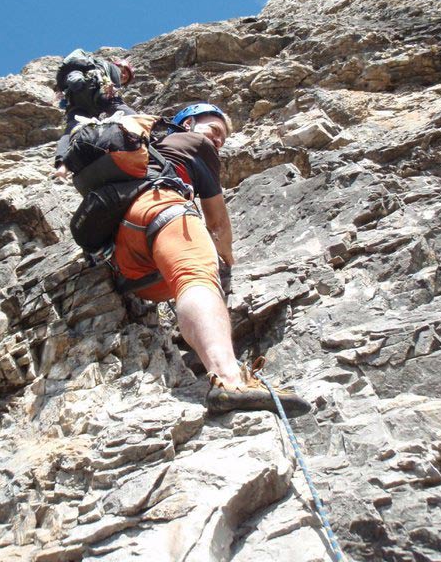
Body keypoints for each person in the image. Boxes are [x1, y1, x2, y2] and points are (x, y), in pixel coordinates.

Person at [113, 103, 311, 417]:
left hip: (125, 249)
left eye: (221, 138)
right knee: (196, 278)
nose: (218, 141)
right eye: (215, 131)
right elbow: (217, 222)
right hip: (162, 209)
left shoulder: (149, 148)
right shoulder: (195, 143)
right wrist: (227, 260)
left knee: (179, 278)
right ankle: (230, 380)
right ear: (189, 123)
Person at [54, 51, 136, 178]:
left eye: (126, 78)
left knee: (71, 129)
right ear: (118, 66)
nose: (124, 76)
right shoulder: (110, 68)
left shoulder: (87, 66)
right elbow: (113, 97)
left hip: (77, 98)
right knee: (126, 113)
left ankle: (62, 167)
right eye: (124, 71)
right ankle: (147, 133)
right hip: (99, 92)